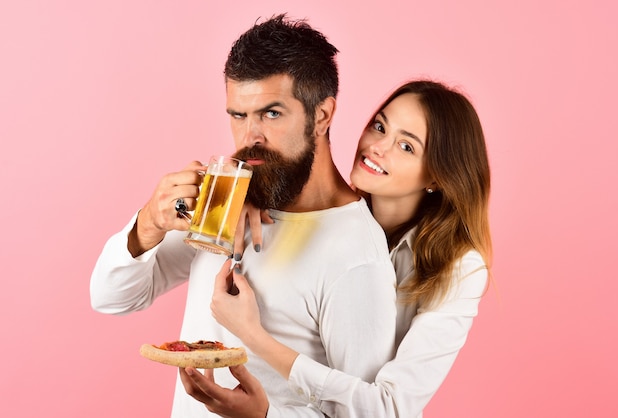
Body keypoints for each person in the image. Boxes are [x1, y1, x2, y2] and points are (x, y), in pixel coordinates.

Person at [90, 14, 398, 418]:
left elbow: (367, 413)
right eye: (238, 115)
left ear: (322, 116)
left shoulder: (356, 255)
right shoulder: (228, 202)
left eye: (271, 114)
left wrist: (263, 415)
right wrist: (148, 223)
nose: (250, 137)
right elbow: (112, 298)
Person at [180, 79, 492, 417]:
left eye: (406, 146)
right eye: (380, 126)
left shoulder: (460, 269)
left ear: (436, 177)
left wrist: (253, 336)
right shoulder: (336, 215)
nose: (378, 147)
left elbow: (389, 408)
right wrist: (252, 193)